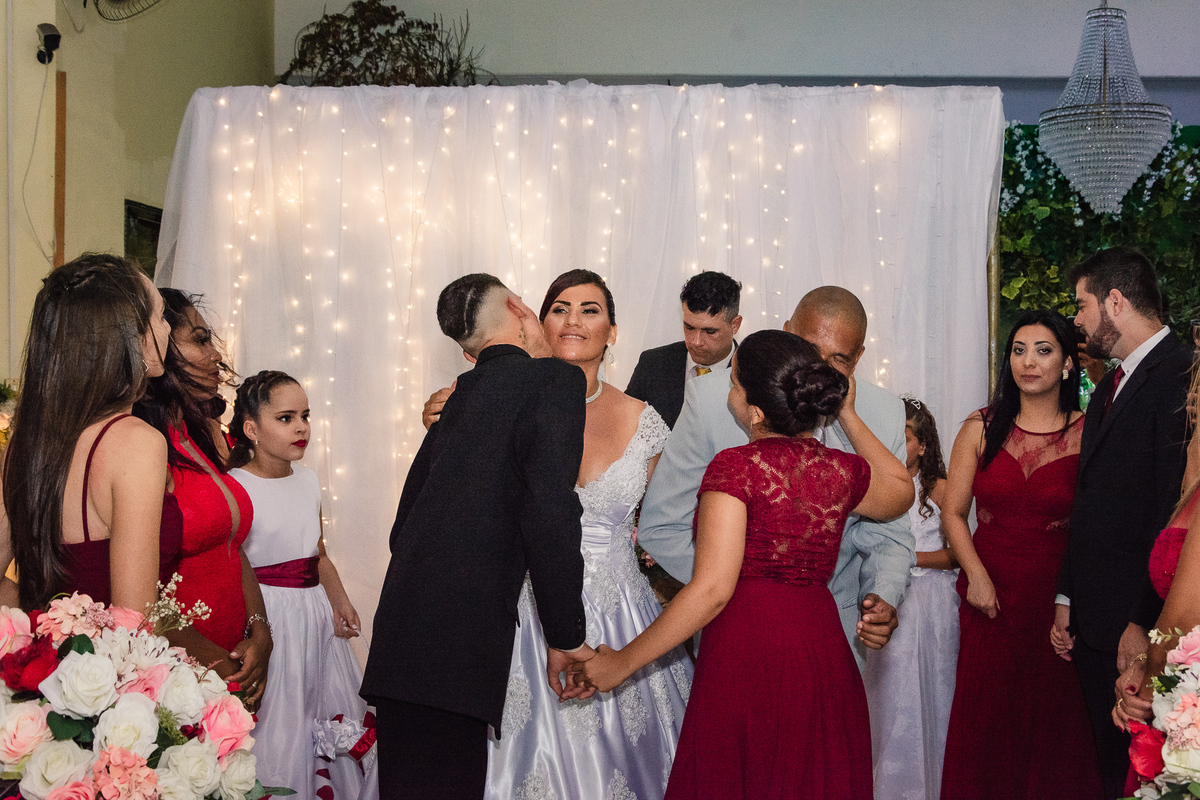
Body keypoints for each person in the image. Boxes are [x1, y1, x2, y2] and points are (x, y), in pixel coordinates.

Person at [573, 329, 912, 798]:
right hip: (820, 646)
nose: (728, 393)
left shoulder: (735, 467)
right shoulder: (840, 470)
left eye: (733, 383)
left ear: (753, 409)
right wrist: (847, 414)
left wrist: (622, 663)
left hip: (747, 648)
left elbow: (712, 590)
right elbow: (900, 489)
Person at [362, 274, 594, 800]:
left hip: (402, 636)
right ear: (518, 307)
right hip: (460, 642)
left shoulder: (458, 396)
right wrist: (565, 635)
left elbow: (404, 527)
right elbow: (551, 515)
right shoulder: (554, 382)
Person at [484, 270, 691, 800]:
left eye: (590, 309)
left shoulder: (645, 421)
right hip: (519, 612)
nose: (574, 319)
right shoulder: (498, 405)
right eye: (560, 307)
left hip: (619, 615)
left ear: (613, 332)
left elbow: (670, 527)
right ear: (538, 324)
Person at [636, 285, 915, 664]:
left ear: (859, 357)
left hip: (838, 629)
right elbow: (663, 525)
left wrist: (881, 595)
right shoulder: (716, 397)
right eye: (807, 348)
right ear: (786, 331)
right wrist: (735, 587)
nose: (818, 370)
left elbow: (889, 526)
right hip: (736, 626)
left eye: (839, 359)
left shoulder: (884, 412)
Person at [938, 309, 1100, 799]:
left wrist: (1071, 600)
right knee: (986, 726)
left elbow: (1095, 530)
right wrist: (978, 576)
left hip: (1056, 602)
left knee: (1056, 731)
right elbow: (952, 513)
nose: (1028, 362)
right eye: (1019, 350)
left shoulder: (1090, 432)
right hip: (990, 599)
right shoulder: (980, 426)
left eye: (1044, 350)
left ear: (1069, 363)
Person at [1058, 247, 1192, 798]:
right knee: (1112, 769)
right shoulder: (1113, 383)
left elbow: (1173, 511)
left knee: (1148, 768)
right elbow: (1089, 500)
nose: (1078, 320)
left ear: (1116, 301)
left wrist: (1141, 621)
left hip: (1142, 625)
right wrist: (1068, 593)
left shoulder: (1181, 373)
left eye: (1082, 305)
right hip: (1094, 616)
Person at [228, 371, 378, 800]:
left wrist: (340, 600)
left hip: (315, 616)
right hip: (271, 617)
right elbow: (236, 566)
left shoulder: (309, 480)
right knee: (282, 717)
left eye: (306, 416)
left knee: (319, 706)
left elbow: (318, 553)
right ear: (252, 429)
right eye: (286, 417)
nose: (301, 428)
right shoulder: (237, 486)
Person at [1, 253, 177, 611]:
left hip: (47, 664)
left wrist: (34, 630)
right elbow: (135, 622)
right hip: (109, 664)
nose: (168, 328)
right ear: (132, 336)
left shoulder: (25, 442)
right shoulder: (136, 442)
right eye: (160, 316)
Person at [134, 289, 272, 710]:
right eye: (199, 339)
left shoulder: (198, 436)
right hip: (182, 667)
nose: (216, 355)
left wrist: (261, 631)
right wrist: (214, 662)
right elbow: (139, 595)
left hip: (234, 653)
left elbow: (233, 547)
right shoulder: (141, 445)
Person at [862, 396, 959, 800]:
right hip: (888, 600)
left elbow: (958, 553)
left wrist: (905, 557)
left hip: (930, 602)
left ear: (922, 445)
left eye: (903, 438)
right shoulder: (874, 486)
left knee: (930, 693)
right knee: (886, 694)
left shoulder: (938, 488)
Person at [625, 271, 742, 428]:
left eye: (710, 331)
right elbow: (624, 427)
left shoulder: (755, 374)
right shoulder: (653, 363)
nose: (696, 341)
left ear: (735, 325)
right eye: (689, 327)